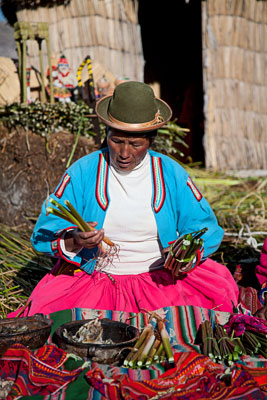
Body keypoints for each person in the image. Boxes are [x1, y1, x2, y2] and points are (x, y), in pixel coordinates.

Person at [10, 81, 239, 317]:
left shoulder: (171, 173)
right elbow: (43, 232)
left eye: (136, 144)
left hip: (161, 282)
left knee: (211, 306)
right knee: (54, 319)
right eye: (116, 141)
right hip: (95, 282)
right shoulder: (83, 172)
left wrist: (185, 253)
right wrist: (76, 239)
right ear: (106, 133)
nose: (124, 153)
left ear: (151, 140)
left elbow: (205, 227)